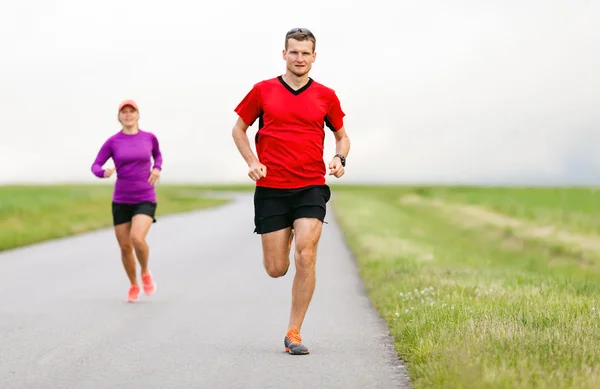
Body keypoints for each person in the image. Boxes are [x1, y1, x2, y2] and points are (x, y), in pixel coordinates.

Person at [231, 27, 351, 355]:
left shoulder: (326, 96)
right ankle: (286, 235)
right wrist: (252, 161)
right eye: (293, 52)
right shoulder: (262, 91)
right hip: (271, 187)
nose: (299, 58)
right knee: (276, 269)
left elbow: (342, 136)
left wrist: (340, 158)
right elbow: (238, 129)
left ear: (314, 57)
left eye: (305, 53)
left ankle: (294, 332)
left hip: (310, 185)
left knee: (307, 255)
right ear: (284, 54)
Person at [91, 99, 162, 303]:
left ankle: (145, 271)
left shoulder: (149, 138)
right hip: (121, 199)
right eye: (124, 112)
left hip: (145, 196)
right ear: (119, 116)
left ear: (138, 115)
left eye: (132, 111)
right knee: (125, 247)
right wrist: (102, 172)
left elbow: (157, 156)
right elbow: (95, 164)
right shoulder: (113, 142)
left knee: (137, 238)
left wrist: (157, 168)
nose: (128, 114)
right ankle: (133, 284)